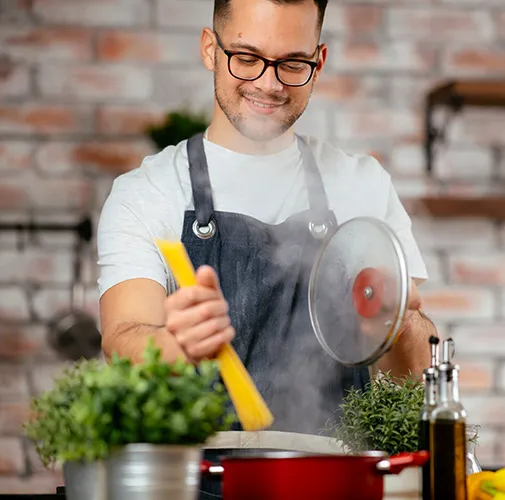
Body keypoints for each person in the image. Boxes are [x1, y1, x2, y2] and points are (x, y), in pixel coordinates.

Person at [96, 0, 436, 435]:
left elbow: (411, 385)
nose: (269, 83)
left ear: (319, 60)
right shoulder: (148, 192)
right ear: (209, 49)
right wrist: (171, 345)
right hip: (197, 480)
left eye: (293, 63)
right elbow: (122, 338)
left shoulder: (362, 186)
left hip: (337, 476)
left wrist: (400, 322)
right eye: (247, 57)